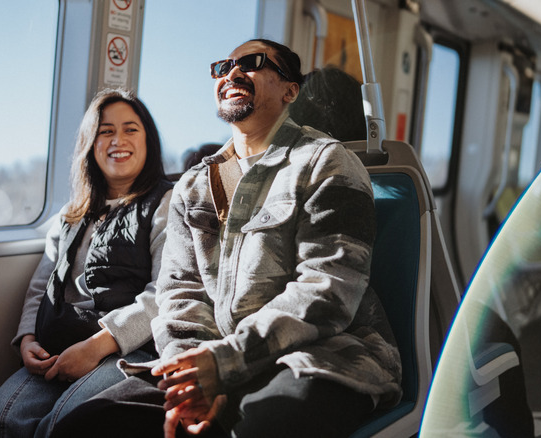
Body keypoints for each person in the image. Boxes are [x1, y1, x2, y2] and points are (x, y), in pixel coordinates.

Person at [51, 39, 402, 438]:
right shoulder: (193, 186)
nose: (232, 73)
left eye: (251, 63)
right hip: (214, 357)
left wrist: (226, 363)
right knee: (85, 424)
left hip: (319, 358)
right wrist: (192, 379)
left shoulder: (327, 162)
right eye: (222, 67)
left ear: (290, 90)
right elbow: (181, 292)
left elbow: (327, 290)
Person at [0, 88, 173, 437]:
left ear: (148, 140)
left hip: (128, 347)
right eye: (105, 131)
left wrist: (97, 346)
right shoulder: (71, 214)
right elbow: (41, 287)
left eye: (130, 129)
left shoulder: (165, 203)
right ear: (90, 144)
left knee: (64, 426)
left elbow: (164, 293)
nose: (117, 140)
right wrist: (27, 338)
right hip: (60, 343)